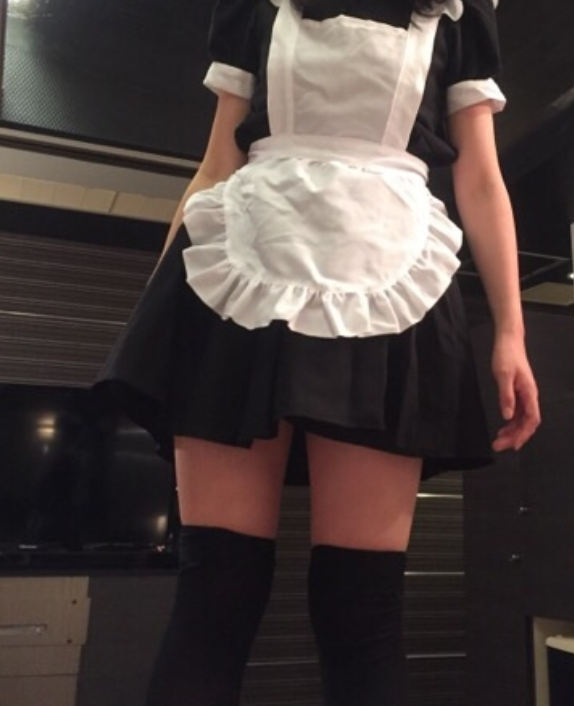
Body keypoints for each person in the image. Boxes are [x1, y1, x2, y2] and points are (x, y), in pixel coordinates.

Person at [91, 0, 540, 703]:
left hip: (389, 272)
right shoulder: (249, 7)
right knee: (215, 592)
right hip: (243, 259)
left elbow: (481, 177)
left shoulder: (460, 12)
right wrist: (157, 315)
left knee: (360, 605)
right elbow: (218, 163)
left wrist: (511, 330)